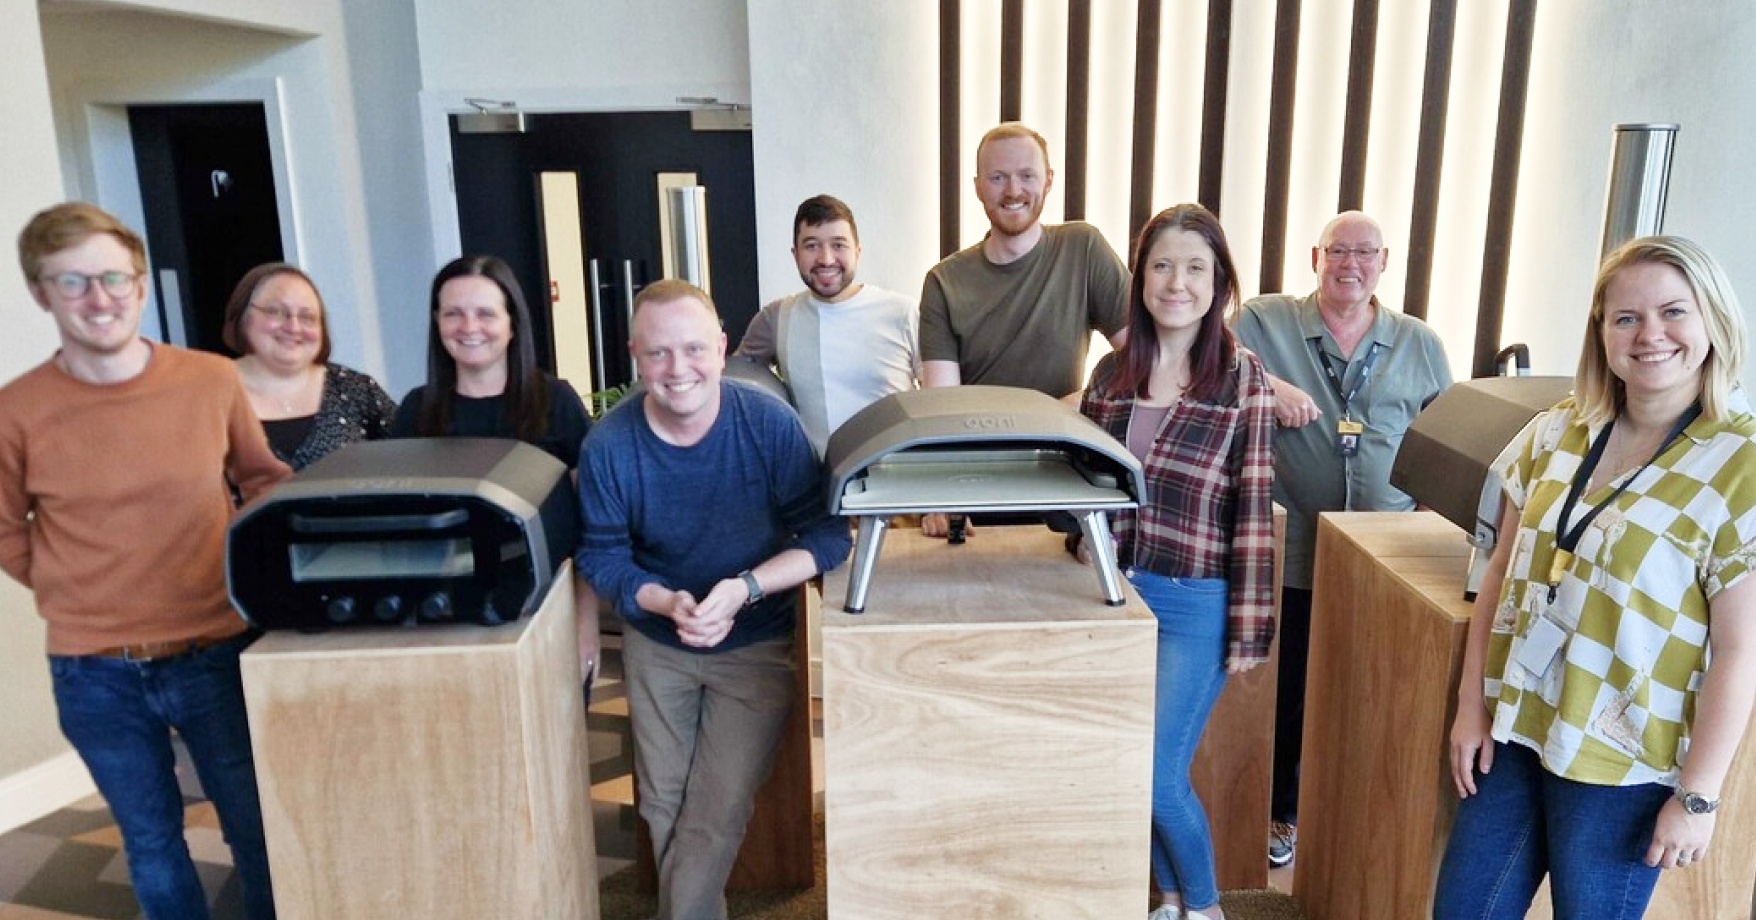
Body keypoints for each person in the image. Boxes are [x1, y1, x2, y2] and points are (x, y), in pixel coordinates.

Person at [1438, 236, 1756, 919]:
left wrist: (1697, 798)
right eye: (1626, 318)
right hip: (1517, 727)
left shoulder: (1742, 466)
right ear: (1601, 333)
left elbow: (1741, 650)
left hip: (1625, 760)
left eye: (1674, 312)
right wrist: (1472, 706)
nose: (1650, 336)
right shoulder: (1557, 431)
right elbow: (1500, 572)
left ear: (1712, 322)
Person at [0, 202, 289, 920]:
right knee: (152, 843)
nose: (98, 299)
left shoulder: (208, 382)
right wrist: (77, 589)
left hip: (214, 651)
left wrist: (244, 569)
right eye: (72, 283)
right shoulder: (16, 410)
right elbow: (5, 530)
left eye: (112, 278)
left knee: (257, 832)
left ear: (139, 284)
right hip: (93, 672)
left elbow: (263, 481)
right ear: (41, 293)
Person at [576, 279, 851, 920]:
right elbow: (601, 555)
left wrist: (744, 587)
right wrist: (664, 601)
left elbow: (827, 536)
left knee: (716, 807)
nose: (678, 370)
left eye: (694, 349)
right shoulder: (610, 446)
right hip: (656, 637)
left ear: (723, 349)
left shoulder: (768, 426)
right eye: (659, 353)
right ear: (635, 356)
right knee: (663, 803)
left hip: (753, 641)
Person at [1230, 210, 1452, 867]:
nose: (1350, 263)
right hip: (1290, 552)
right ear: (1313, 257)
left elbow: (1442, 447)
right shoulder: (1263, 322)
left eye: (1365, 252)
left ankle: (1357, 817)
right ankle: (1283, 814)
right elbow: (1204, 367)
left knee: (1372, 692)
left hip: (1388, 559)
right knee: (1289, 693)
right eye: (1337, 251)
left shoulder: (1421, 343)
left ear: (1385, 263)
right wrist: (1267, 383)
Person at [1079, 204, 1276, 920]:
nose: (1177, 282)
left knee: (1158, 775)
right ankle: (1166, 901)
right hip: (1114, 594)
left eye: (1196, 267)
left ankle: (1203, 906)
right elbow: (1085, 487)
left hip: (1195, 601)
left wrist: (1250, 632)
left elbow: (1253, 508)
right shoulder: (1110, 373)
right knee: (1132, 768)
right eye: (1163, 264)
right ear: (1141, 277)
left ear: (1219, 281)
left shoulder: (1242, 377)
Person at [918, 121, 1130, 536]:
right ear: (978, 186)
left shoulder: (1083, 248)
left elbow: (1145, 361)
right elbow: (942, 407)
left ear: (1048, 181)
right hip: (977, 485)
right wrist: (938, 496)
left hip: (1066, 479)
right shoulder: (944, 281)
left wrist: (1081, 400)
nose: (1013, 190)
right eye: (998, 178)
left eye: (1026, 176)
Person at [734, 194, 917, 455]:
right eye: (811, 246)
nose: (826, 259)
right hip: (811, 480)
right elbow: (738, 388)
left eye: (839, 245)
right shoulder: (777, 317)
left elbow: (935, 402)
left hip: (891, 476)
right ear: (795, 254)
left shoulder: (902, 312)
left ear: (858, 251)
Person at [391, 254, 591, 468]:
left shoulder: (556, 402)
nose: (469, 327)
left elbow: (591, 490)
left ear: (512, 324)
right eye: (453, 314)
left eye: (485, 314)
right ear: (437, 321)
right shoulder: (416, 409)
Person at [224, 262, 397, 470]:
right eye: (275, 311)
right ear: (243, 316)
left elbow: (412, 464)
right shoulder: (206, 393)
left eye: (308, 317)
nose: (293, 327)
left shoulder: (356, 389)